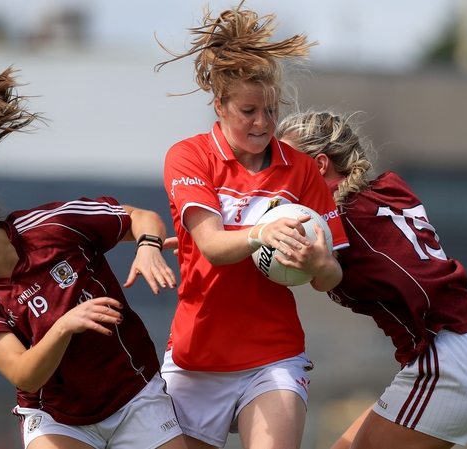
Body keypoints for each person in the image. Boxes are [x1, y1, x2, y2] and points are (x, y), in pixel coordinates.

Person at [0, 68, 187, 449]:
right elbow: (24, 374)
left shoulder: (50, 226)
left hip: (133, 393)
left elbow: (139, 218)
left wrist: (148, 246)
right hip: (56, 418)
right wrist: (65, 325)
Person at [154, 3, 350, 448]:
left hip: (273, 356)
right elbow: (211, 245)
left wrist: (319, 264)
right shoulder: (189, 157)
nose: (263, 122)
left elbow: (331, 277)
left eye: (270, 110)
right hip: (195, 359)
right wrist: (263, 232)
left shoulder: (300, 170)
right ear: (220, 104)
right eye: (248, 111)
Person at [277, 110, 467, 449]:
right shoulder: (383, 190)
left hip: (447, 360)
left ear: (320, 165)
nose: (275, 177)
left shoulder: (340, 218)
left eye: (285, 165)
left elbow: (327, 275)